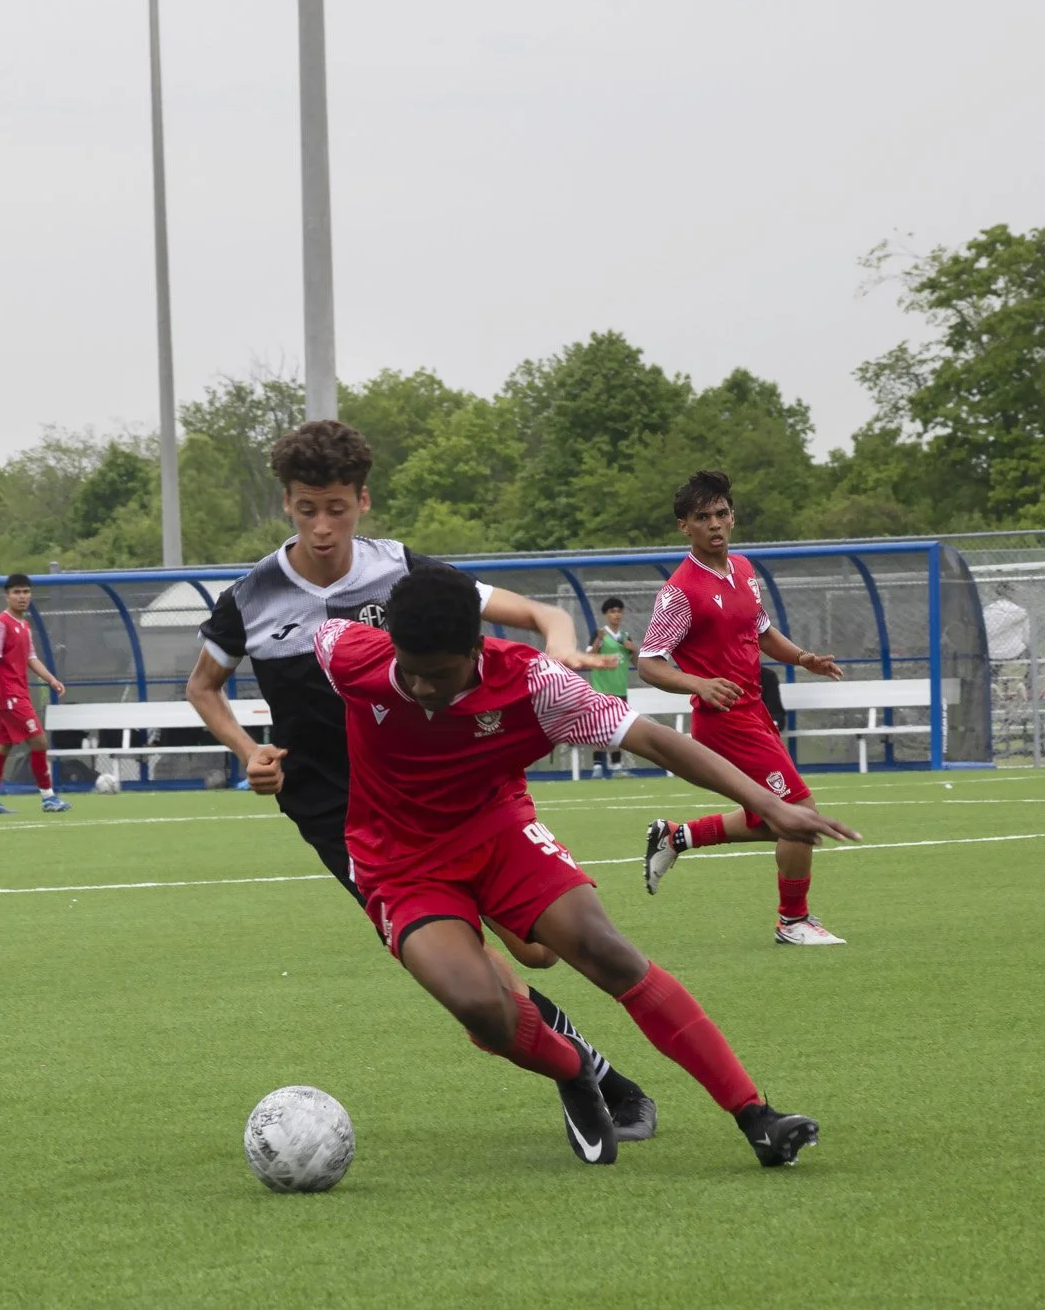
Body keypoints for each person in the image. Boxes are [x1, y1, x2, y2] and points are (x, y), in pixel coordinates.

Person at [184, 420, 657, 1142]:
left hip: (445, 783)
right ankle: (591, 1075)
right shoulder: (250, 597)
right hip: (341, 811)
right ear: (286, 504)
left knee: (539, 949)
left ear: (363, 500)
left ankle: (577, 1061)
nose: (321, 525)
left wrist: (559, 650)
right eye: (306, 508)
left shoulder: (403, 571)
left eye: (336, 507)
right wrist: (249, 750)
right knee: (467, 961)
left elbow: (539, 612)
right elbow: (204, 687)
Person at [315, 565, 855, 1167]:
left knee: (603, 949)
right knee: (477, 1004)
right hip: (399, 862)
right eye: (408, 671)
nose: (419, 688)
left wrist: (767, 804)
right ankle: (576, 1069)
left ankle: (756, 1115)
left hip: (498, 833)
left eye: (438, 675)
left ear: (476, 649)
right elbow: (289, 643)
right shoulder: (347, 652)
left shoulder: (536, 685)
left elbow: (652, 739)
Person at [636, 470, 848, 945]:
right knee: (798, 812)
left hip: (754, 713)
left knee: (773, 818)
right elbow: (649, 662)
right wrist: (699, 684)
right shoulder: (680, 590)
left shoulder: (745, 570)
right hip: (725, 721)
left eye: (721, 513)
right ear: (683, 527)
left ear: (733, 517)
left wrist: (802, 659)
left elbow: (763, 630)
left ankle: (677, 836)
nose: (715, 524)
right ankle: (792, 922)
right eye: (702, 517)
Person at [0, 574, 70, 814]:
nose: (22, 597)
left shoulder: (24, 625)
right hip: (9, 695)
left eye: (26, 592)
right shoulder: (1, 624)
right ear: (7, 595)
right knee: (39, 740)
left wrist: (51, 679)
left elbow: (31, 657)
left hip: (19, 692)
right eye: (17, 592)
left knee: (2, 746)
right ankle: (48, 797)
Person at [588, 598, 638, 778]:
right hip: (601, 690)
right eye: (612, 611)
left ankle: (616, 766)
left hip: (620, 690)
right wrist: (598, 642)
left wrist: (634, 649)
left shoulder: (625, 637)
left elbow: (637, 662)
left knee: (619, 729)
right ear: (606, 614)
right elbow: (590, 657)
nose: (616, 614)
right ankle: (597, 766)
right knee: (599, 728)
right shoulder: (600, 634)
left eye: (619, 611)